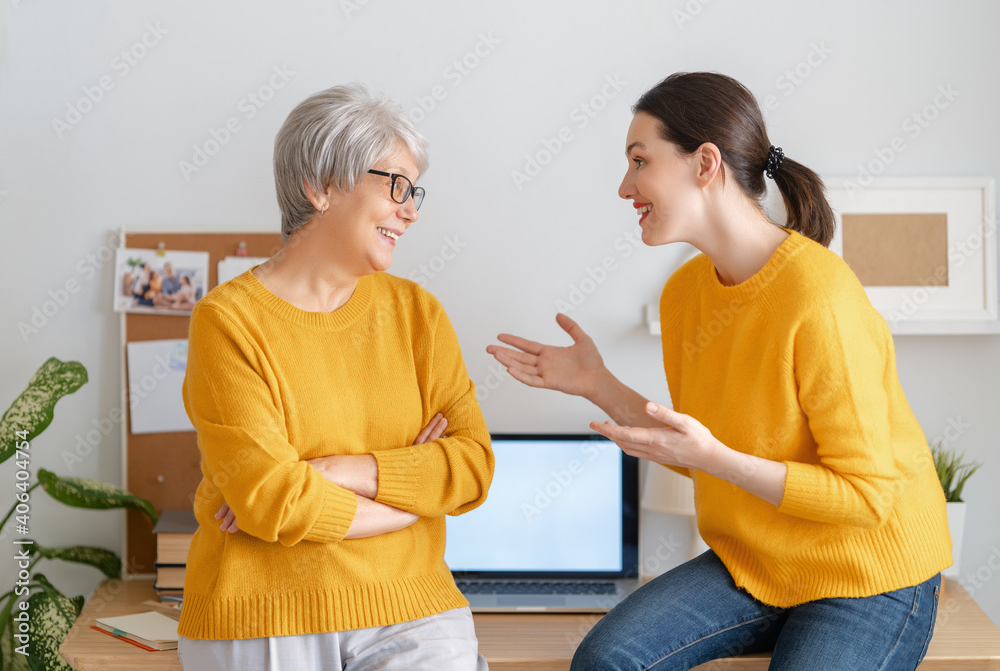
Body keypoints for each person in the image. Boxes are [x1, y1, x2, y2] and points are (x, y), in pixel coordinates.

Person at [487, 72, 951, 671]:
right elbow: (700, 447)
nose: (625, 186)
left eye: (639, 161)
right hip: (756, 564)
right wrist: (595, 383)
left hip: (870, 569)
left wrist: (717, 460)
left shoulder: (820, 298)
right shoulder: (684, 296)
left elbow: (868, 496)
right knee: (607, 661)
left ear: (705, 163)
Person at [178, 84, 494, 670]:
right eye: (395, 185)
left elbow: (472, 467)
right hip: (262, 610)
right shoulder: (227, 322)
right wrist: (412, 502)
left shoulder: (417, 314)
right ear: (321, 186)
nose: (411, 210)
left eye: (414, 190)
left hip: (412, 605)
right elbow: (273, 501)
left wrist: (340, 471)